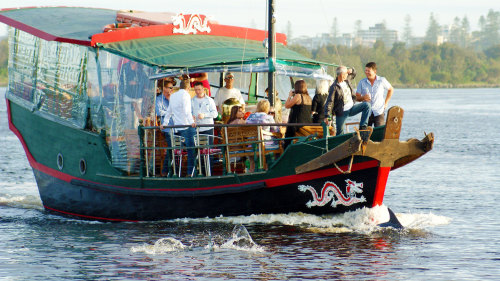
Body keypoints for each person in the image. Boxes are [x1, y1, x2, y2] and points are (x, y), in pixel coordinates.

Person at [162, 80, 197, 177]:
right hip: (186, 126)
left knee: (173, 149)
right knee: (191, 150)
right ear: (188, 88)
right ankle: (190, 173)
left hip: (177, 128)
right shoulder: (186, 95)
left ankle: (165, 171)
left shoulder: (173, 96)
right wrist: (192, 122)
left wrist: (165, 123)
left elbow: (169, 111)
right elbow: (187, 111)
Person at [324, 66, 371, 135]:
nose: (347, 75)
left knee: (367, 105)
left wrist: (351, 69)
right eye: (346, 73)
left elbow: (354, 73)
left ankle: (363, 127)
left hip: (352, 108)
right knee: (340, 133)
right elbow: (329, 102)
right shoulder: (334, 87)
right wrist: (327, 116)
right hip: (341, 112)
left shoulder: (347, 80)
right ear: (341, 75)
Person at [355, 62, 394, 127]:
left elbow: (391, 90)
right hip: (366, 112)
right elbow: (356, 97)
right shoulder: (361, 82)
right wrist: (363, 98)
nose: (366, 72)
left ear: (374, 71)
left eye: (368, 71)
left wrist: (386, 103)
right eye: (366, 70)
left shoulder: (382, 80)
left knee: (379, 133)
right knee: (364, 133)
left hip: (379, 111)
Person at [284, 80, 312, 148]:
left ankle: (286, 152)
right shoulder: (309, 97)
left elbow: (287, 106)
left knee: (287, 137)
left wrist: (290, 96)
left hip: (297, 125)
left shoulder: (298, 96)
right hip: (308, 124)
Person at [156, 79, 175, 176]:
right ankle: (165, 170)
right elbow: (159, 112)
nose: (172, 90)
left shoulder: (174, 98)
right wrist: (171, 112)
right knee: (171, 147)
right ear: (164, 88)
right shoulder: (159, 99)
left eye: (172, 88)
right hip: (167, 128)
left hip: (178, 127)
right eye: (170, 88)